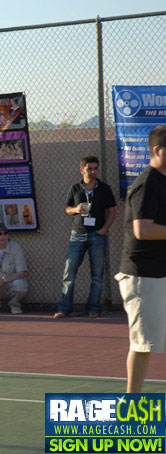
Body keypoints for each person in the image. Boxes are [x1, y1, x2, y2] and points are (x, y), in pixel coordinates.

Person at [115, 125, 166, 393]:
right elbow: (143, 229)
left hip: (159, 273)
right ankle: (131, 404)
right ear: (158, 151)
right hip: (143, 276)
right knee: (142, 344)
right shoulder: (147, 183)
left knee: (149, 343)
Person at [54, 156, 116, 319]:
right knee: (69, 272)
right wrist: (76, 209)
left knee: (97, 274)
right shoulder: (75, 188)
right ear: (82, 170)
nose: (93, 171)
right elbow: (67, 209)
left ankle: (93, 308)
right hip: (77, 235)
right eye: (90, 168)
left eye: (96, 168)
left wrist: (104, 229)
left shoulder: (104, 188)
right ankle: (65, 308)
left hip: (97, 235)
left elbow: (112, 211)